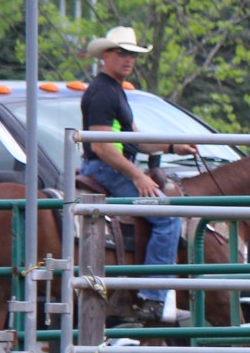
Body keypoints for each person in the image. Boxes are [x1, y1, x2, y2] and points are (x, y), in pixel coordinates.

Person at [77, 26, 195, 326]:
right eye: (122, 53)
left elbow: (135, 139)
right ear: (106, 55)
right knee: (167, 217)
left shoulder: (114, 89)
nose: (128, 59)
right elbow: (102, 146)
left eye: (132, 54)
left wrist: (172, 146)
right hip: (105, 169)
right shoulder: (104, 92)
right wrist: (138, 176)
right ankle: (153, 298)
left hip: (110, 166)